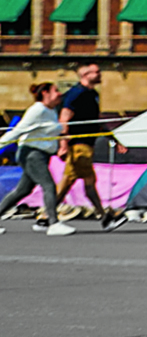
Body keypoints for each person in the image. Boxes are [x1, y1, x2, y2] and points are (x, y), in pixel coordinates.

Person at [0, 83, 75, 235]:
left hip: (42, 154)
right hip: (32, 154)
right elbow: (19, 130)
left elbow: (49, 131)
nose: (59, 94)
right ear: (45, 93)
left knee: (22, 190)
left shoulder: (51, 111)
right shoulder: (37, 109)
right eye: (56, 90)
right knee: (49, 185)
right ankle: (53, 224)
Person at [57, 63, 124, 231]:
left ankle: (45, 215)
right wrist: (63, 144)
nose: (100, 74)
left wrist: (113, 137)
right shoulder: (76, 94)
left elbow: (96, 120)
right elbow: (64, 118)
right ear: (85, 75)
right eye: (96, 72)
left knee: (68, 182)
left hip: (86, 143)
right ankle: (104, 216)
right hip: (78, 145)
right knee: (89, 181)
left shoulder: (92, 94)